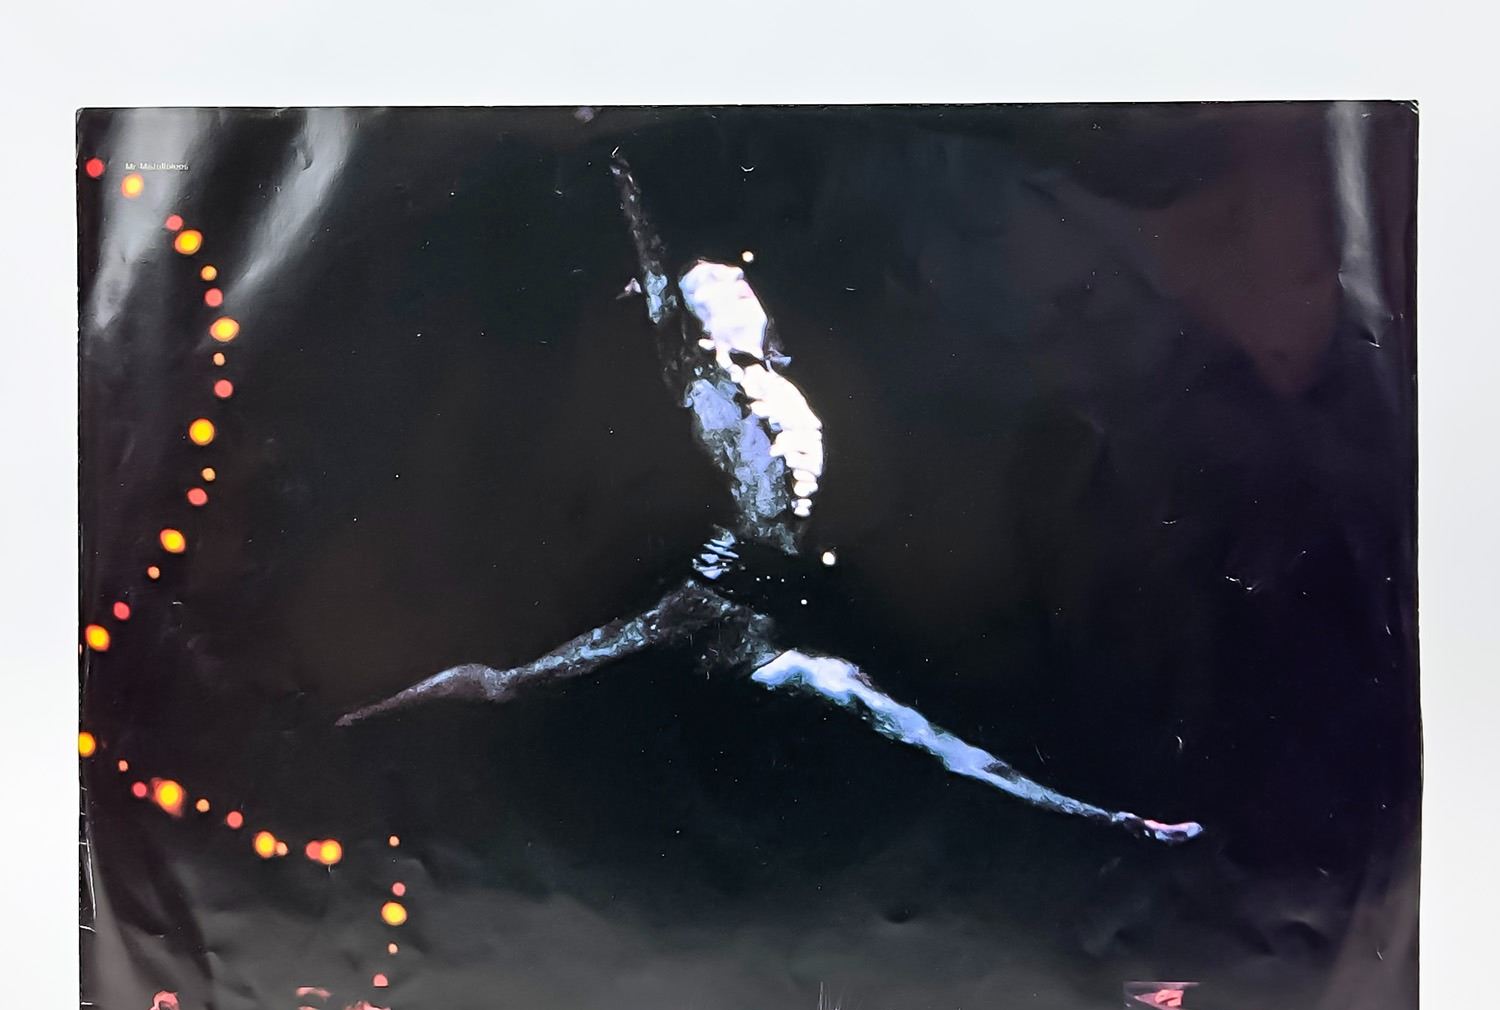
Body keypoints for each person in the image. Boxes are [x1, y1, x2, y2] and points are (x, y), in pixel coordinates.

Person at [337, 157, 1201, 847]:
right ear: (700, 320)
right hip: (720, 595)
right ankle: (366, 715)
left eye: (740, 285)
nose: (742, 293)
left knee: (912, 729)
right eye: (721, 291)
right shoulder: (702, 378)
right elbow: (656, 274)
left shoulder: (776, 377)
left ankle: (1117, 822)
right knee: (515, 684)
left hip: (761, 600)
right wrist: (617, 165)